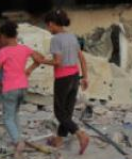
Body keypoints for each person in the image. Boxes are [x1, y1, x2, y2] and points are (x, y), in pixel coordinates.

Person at [34, 9, 91, 154]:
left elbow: (57, 62)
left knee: (60, 113)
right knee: (67, 111)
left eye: (48, 26)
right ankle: (59, 140)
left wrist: (41, 61)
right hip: (75, 76)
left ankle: (80, 135)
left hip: (63, 79)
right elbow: (82, 58)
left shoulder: (56, 39)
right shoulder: (72, 37)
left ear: (51, 24)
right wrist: (85, 77)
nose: (48, 29)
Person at [0, 21, 49, 157]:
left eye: (0, 37)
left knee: (7, 118)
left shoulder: (3, 51)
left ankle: (18, 142)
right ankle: (18, 139)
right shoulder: (24, 49)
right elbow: (40, 59)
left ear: (4, 36)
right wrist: (29, 70)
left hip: (10, 88)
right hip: (23, 87)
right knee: (14, 114)